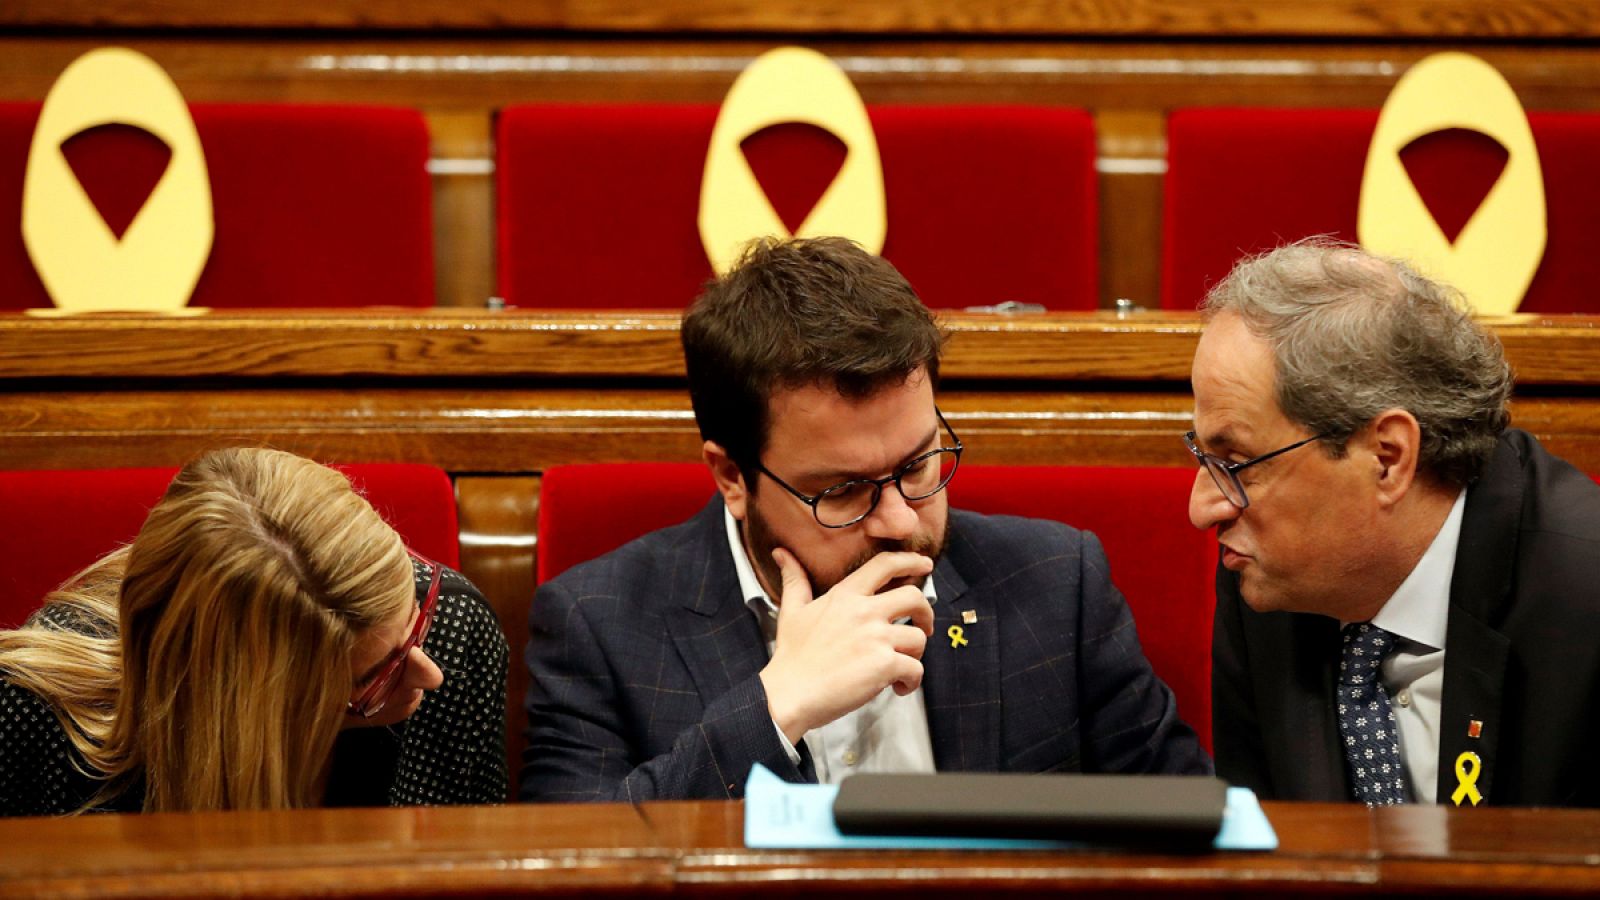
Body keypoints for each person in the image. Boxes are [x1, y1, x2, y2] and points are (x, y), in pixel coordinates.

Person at [521, 237, 1209, 802]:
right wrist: (774, 708)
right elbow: (574, 873)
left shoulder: (1058, 589)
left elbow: (1191, 831)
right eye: (844, 490)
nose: (899, 519)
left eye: (918, 465)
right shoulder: (599, 625)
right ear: (733, 477)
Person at [1190, 239, 1600, 807]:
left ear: (1387, 457)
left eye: (1236, 464)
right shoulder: (1267, 581)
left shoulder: (1584, 597)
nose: (1202, 507)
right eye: (1204, 458)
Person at [0, 448, 509, 815]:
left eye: (415, 618)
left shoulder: (455, 629)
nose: (430, 674)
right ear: (245, 702)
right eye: (371, 679)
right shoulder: (30, 720)